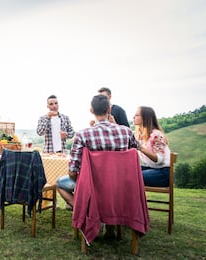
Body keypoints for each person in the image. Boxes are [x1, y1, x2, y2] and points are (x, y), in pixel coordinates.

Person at [57, 94, 138, 238]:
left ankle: (87, 213)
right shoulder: (126, 132)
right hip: (119, 187)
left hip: (92, 187)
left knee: (60, 184)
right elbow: (134, 155)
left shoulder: (82, 135)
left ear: (91, 110)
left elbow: (72, 171)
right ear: (109, 109)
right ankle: (110, 224)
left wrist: (80, 178)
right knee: (109, 188)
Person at [133, 106, 171, 187]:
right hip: (152, 168)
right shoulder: (140, 135)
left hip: (163, 173)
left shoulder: (156, 135)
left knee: (132, 177)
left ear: (145, 118)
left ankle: (135, 200)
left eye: (137, 115)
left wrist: (141, 148)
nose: (133, 117)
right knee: (126, 173)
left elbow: (159, 160)